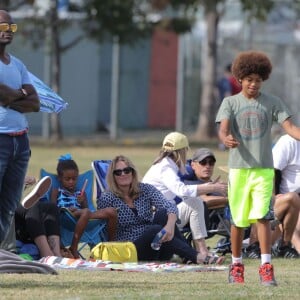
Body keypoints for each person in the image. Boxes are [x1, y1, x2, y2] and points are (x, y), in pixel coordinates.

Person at [216, 50, 300, 286]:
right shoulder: (230, 102)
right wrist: (225, 139)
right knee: (239, 221)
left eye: (258, 80)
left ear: (263, 80)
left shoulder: (272, 102)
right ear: (240, 78)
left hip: (263, 171)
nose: (253, 84)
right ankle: (236, 266)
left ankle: (266, 267)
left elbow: (291, 128)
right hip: (239, 170)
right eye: (249, 79)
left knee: (262, 217)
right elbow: (222, 129)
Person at [97, 155, 221, 264]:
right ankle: (196, 256)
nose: (123, 174)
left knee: (163, 214)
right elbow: (101, 227)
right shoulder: (108, 197)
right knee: (154, 229)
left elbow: (169, 206)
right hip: (131, 249)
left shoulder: (145, 189)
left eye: (126, 170)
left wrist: (170, 225)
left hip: (157, 247)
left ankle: (189, 256)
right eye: (118, 172)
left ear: (132, 172)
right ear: (113, 177)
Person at [142, 132, 227, 264]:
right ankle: (200, 253)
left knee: (195, 202)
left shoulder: (168, 164)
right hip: (156, 218)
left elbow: (187, 181)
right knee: (195, 202)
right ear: (182, 150)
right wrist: (212, 188)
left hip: (165, 214)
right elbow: (181, 190)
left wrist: (207, 185)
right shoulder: (165, 167)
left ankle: (199, 252)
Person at [0, 10, 40, 246]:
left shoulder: (18, 65)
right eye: (1, 27)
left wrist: (13, 96)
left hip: (20, 142)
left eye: (11, 28)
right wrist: (20, 94)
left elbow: (35, 103)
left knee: (8, 206)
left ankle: (2, 254)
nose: (6, 31)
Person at [50, 154, 118, 258]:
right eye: (67, 179)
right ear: (59, 178)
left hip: (82, 216)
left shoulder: (81, 193)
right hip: (65, 216)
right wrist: (66, 210)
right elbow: (52, 209)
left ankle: (110, 246)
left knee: (112, 211)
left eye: (74, 178)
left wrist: (82, 202)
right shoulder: (56, 191)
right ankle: (73, 247)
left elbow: (86, 208)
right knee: (85, 212)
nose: (71, 182)